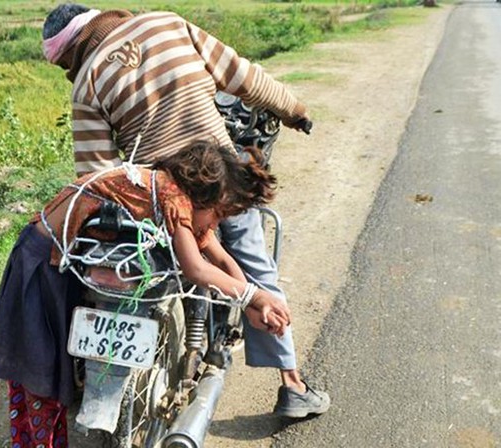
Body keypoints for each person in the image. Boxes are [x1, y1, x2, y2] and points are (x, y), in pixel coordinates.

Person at [42, 4, 330, 418]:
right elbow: (243, 78)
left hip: (160, 199)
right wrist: (295, 110)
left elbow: (99, 178)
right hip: (220, 181)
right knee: (252, 260)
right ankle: (292, 383)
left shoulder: (86, 83)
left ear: (71, 54)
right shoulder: (167, 24)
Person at [0, 140, 293, 447]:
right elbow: (197, 269)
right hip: (40, 263)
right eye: (217, 215)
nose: (214, 224)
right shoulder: (173, 197)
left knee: (53, 374)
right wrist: (254, 296)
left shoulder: (172, 192)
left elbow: (222, 258)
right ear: (204, 195)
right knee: (39, 375)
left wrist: (250, 304)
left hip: (63, 264)